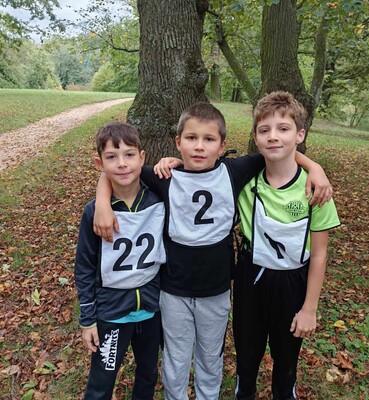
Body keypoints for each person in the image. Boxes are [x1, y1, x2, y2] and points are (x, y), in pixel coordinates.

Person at [93, 103, 332, 400]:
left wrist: (315, 168)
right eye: (191, 138)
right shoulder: (164, 176)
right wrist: (102, 202)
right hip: (173, 290)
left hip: (216, 291)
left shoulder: (234, 171)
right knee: (175, 358)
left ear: (222, 146)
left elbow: (279, 151)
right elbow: (119, 170)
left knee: (210, 356)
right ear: (178, 142)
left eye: (209, 139)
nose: (199, 146)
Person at [233, 91, 340, 400]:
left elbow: (319, 254)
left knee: (286, 363)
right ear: (255, 138)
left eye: (283, 128)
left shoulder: (315, 190)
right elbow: (202, 168)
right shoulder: (244, 182)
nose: (273, 136)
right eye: (264, 130)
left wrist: (310, 308)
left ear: (299, 135)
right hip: (251, 278)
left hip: (293, 283)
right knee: (247, 357)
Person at [74, 122, 166, 400]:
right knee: (103, 379)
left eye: (129, 155)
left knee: (148, 374)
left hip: (151, 310)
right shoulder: (94, 212)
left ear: (142, 157)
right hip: (112, 313)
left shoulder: (160, 199)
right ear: (99, 164)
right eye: (112, 157)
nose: (122, 163)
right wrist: (88, 319)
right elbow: (84, 267)